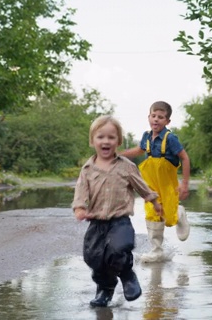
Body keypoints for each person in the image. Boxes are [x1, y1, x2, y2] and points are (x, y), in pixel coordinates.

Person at [72, 115, 163, 308]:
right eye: (101, 137)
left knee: (118, 248)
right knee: (94, 257)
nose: (106, 141)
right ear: (92, 141)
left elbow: (142, 186)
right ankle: (105, 290)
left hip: (120, 221)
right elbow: (81, 190)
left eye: (111, 137)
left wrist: (154, 201)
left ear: (118, 141)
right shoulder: (87, 169)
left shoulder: (127, 167)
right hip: (96, 222)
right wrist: (80, 207)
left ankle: (128, 275)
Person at [121, 101, 191, 263]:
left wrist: (185, 183)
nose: (156, 120)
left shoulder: (170, 138)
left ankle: (178, 213)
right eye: (153, 116)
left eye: (161, 117)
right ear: (148, 117)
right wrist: (119, 154)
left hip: (167, 185)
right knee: (152, 212)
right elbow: (138, 150)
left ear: (167, 121)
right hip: (150, 184)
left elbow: (184, 157)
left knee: (169, 218)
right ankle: (156, 250)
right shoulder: (146, 136)